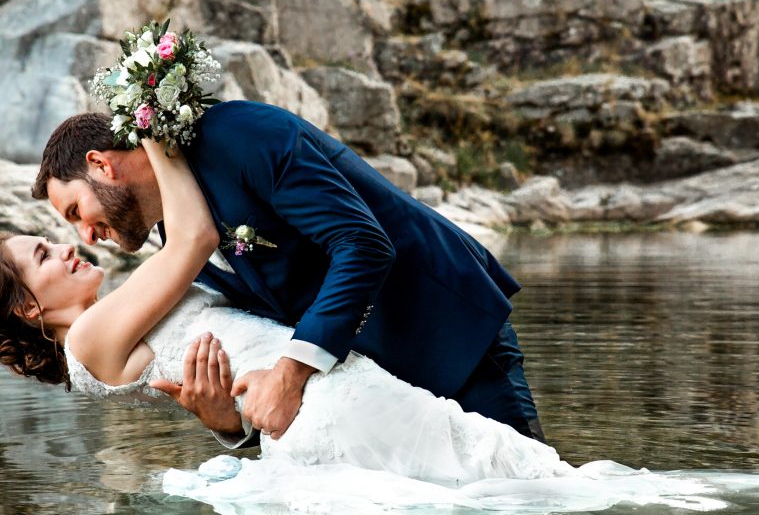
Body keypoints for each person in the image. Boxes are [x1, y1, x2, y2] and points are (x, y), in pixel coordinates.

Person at [1, 139, 571, 490]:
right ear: (28, 306)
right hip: (323, 400)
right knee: (518, 484)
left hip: (320, 395)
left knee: (497, 480)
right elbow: (196, 237)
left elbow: (237, 358)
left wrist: (227, 423)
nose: (72, 243)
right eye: (46, 254)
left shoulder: (122, 312)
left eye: (70, 221)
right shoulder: (88, 343)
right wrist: (158, 132)